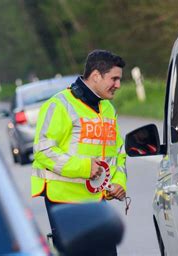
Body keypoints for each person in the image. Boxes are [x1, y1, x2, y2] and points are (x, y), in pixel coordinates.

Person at [31, 49, 127, 255]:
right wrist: (84, 167)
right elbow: (42, 150)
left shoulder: (108, 108)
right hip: (65, 202)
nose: (118, 85)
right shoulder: (59, 105)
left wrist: (119, 181)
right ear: (95, 76)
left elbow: (118, 151)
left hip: (98, 201)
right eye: (114, 79)